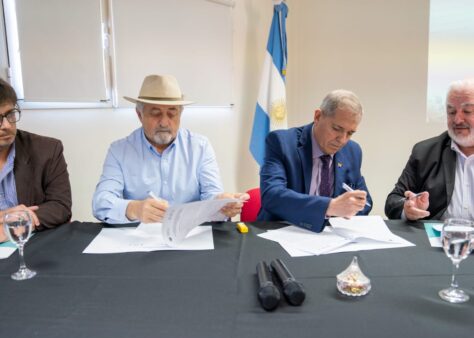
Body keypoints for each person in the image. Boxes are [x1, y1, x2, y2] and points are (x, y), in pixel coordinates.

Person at [92, 74, 247, 224]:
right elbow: (100, 203)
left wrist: (221, 204)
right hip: (138, 237)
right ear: (140, 115)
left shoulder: (200, 147)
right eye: (155, 113)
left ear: (180, 114)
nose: (164, 123)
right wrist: (134, 209)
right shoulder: (119, 151)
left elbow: (212, 196)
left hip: (190, 235)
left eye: (172, 114)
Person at [258, 89, 372, 233]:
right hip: (283, 231)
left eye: (350, 133)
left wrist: (352, 205)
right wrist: (329, 207)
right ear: (318, 116)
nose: (342, 140)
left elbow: (366, 203)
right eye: (337, 129)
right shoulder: (281, 142)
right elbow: (272, 196)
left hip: (330, 236)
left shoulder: (352, 151)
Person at [385, 78, 474, 221]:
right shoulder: (425, 152)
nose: (457, 120)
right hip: (437, 234)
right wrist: (408, 209)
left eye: (467, 111)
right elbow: (394, 201)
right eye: (451, 112)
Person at [0, 78, 72, 242]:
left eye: (10, 114)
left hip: (32, 245)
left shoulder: (47, 149)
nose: (7, 125)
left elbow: (60, 206)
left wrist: (18, 222)